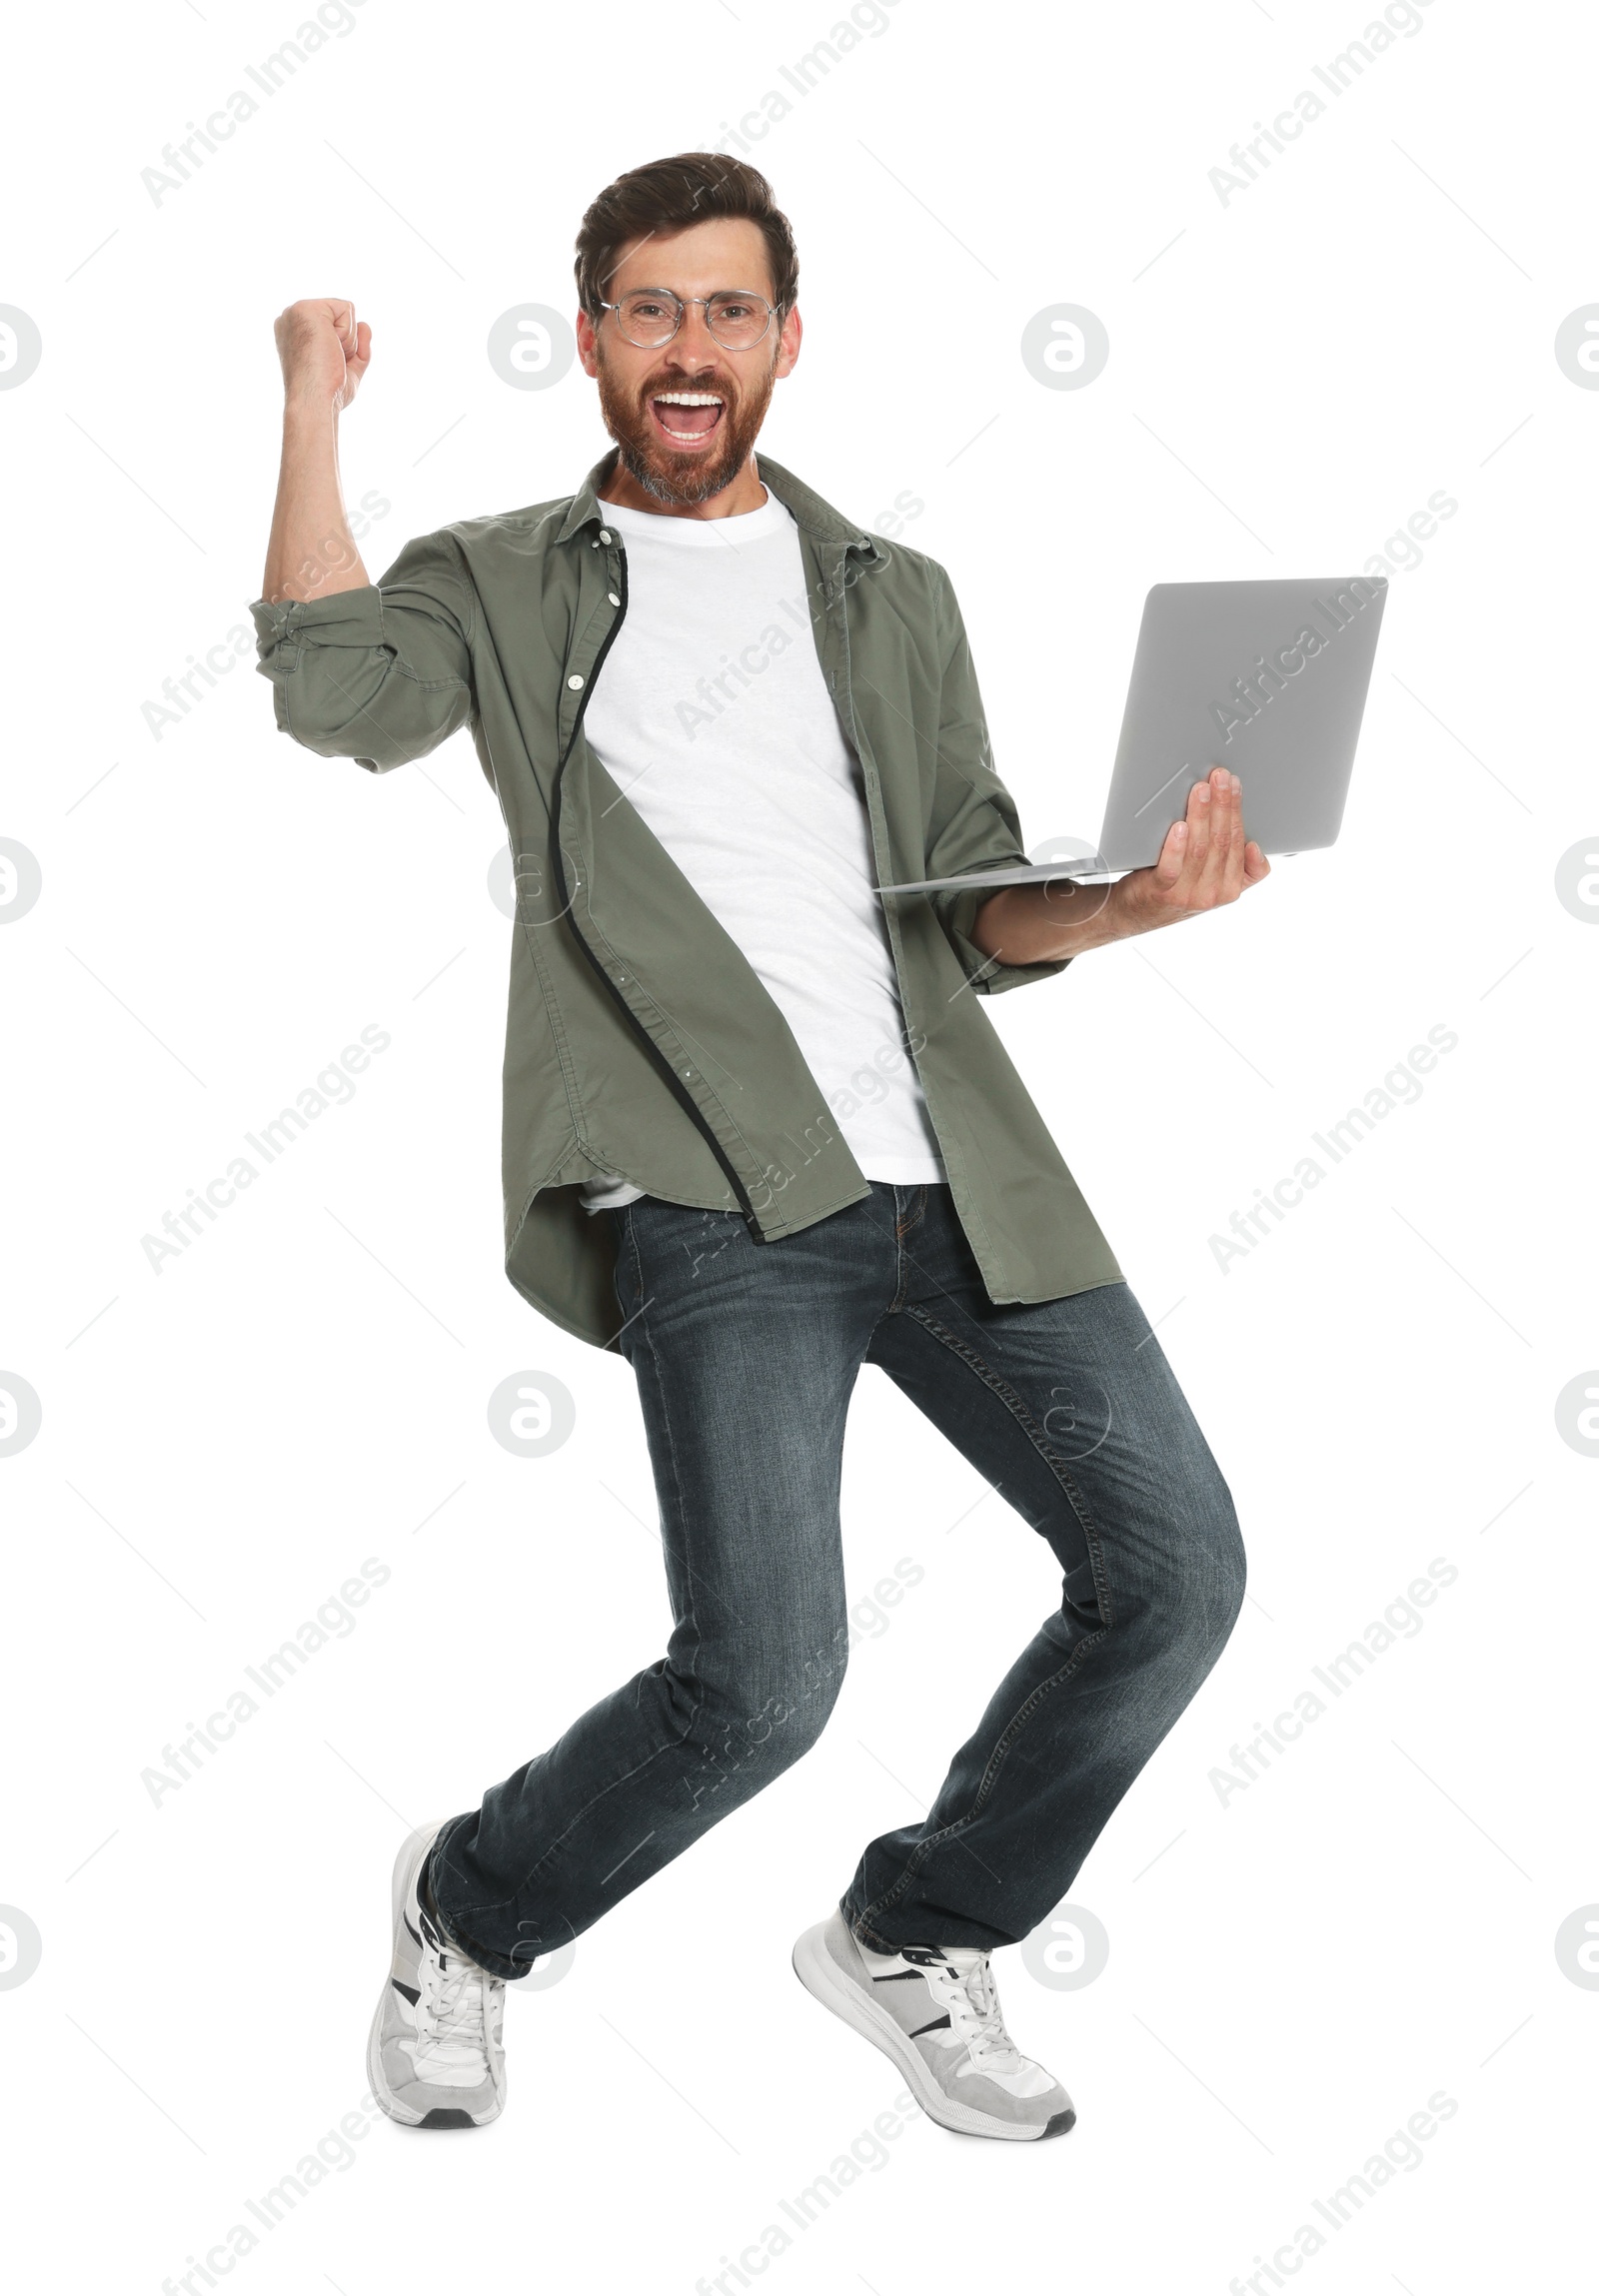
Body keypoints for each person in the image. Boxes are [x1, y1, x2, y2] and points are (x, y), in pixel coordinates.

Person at [252, 151, 1264, 2144]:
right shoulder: (502, 572)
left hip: (957, 1173)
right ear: (593, 342)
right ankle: (468, 1909)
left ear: (783, 342)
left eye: (725, 310)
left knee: (1174, 1571)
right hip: (711, 1187)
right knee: (766, 1680)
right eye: (648, 309)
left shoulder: (893, 595)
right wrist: (310, 404)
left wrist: (1125, 908)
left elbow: (965, 899)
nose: (686, 347)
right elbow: (327, 699)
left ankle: (917, 1928)